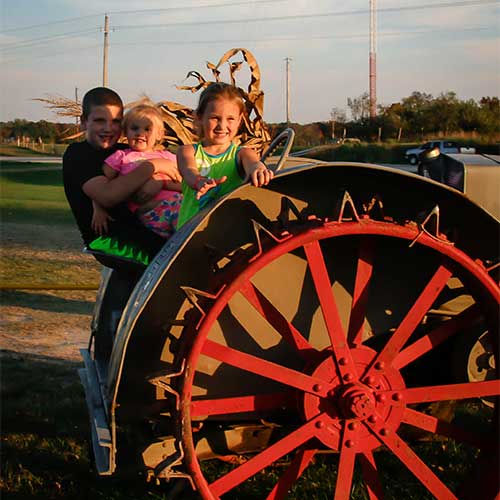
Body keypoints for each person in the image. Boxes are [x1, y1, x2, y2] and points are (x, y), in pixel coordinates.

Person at [63, 87, 181, 269]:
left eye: (116, 121)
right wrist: (154, 165)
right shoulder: (78, 154)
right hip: (110, 239)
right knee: (174, 264)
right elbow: (108, 196)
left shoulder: (124, 151)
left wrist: (161, 181)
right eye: (100, 121)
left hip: (143, 229)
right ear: (84, 122)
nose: (108, 128)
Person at [176, 82, 274, 229]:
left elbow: (253, 163)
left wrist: (258, 169)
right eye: (215, 118)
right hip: (189, 234)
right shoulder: (188, 151)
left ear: (240, 120)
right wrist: (199, 182)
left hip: (224, 235)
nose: (222, 126)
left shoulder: (242, 154)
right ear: (200, 117)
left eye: (230, 119)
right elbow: (189, 171)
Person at [92, 104, 182, 240]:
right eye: (134, 128)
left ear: (159, 134)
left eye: (147, 129)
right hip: (149, 214)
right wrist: (98, 209)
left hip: (175, 205)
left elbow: (185, 185)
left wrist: (162, 183)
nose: (140, 133)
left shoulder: (168, 157)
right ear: (125, 132)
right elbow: (101, 184)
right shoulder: (121, 156)